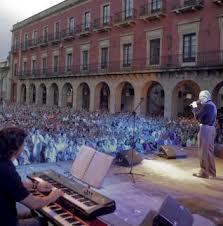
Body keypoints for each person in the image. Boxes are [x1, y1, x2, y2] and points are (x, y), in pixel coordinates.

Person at [0, 127, 64, 226]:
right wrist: (52, 197)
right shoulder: (8, 171)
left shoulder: (3, 164)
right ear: (17, 147)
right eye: (23, 144)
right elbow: (34, 203)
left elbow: (12, 185)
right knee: (42, 222)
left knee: (32, 215)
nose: (24, 146)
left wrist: (35, 186)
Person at [191, 90, 217, 179]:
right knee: (209, 151)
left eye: (200, 97)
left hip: (205, 129)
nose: (199, 99)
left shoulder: (206, 106)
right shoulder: (213, 105)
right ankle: (212, 173)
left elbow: (198, 117)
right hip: (212, 129)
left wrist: (194, 107)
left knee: (203, 152)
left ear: (205, 97)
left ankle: (204, 173)